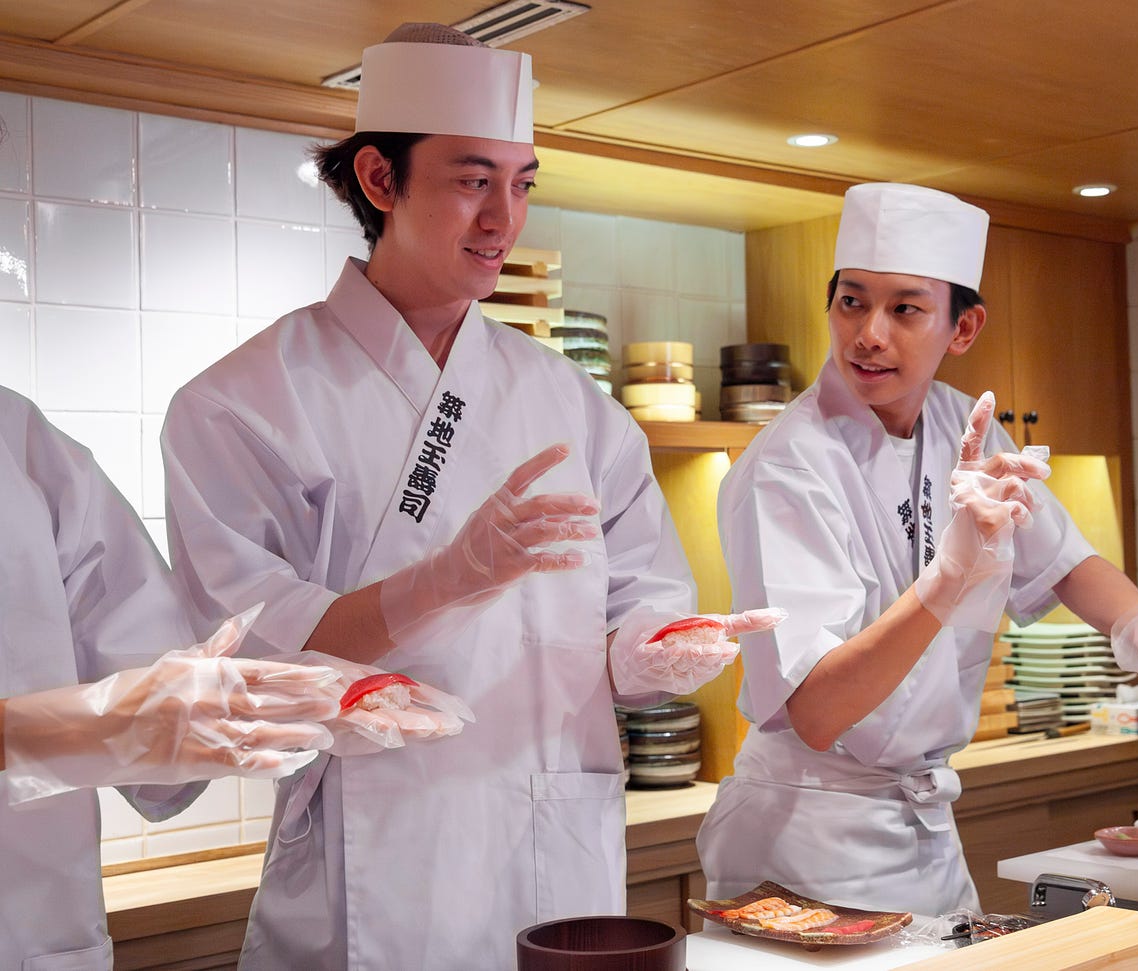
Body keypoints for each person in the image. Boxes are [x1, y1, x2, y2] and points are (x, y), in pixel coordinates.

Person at [161, 22, 779, 969]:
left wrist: (655, 646)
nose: (504, 218)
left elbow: (640, 600)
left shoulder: (573, 403)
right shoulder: (241, 403)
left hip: (551, 845)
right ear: (379, 180)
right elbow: (245, 661)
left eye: (523, 182)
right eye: (470, 179)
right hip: (363, 866)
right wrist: (439, 582)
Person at [695, 183, 1138, 916]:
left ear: (963, 328)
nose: (869, 332)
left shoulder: (971, 428)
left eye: (906, 308)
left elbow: (1064, 561)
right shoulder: (787, 465)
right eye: (852, 301)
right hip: (806, 838)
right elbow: (818, 709)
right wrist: (948, 579)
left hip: (926, 827)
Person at [0, 386, 333, 970]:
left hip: (31, 931)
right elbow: (105, 724)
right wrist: (55, 732)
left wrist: (192, 714)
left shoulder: (17, 440)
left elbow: (147, 679)